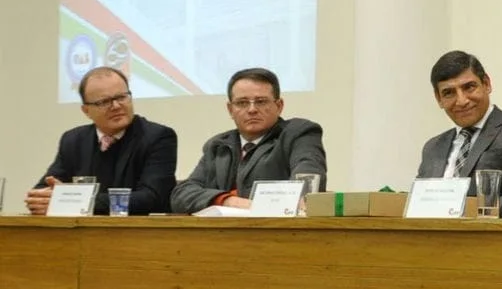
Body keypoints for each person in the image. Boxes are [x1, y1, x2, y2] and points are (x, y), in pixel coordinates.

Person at [170, 68, 327, 214]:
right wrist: (228, 200)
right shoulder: (218, 145)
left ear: (279, 106)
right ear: (230, 110)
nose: (252, 109)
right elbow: (181, 194)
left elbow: (307, 184)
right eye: (242, 103)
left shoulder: (299, 133)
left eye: (261, 101)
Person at [26, 66, 177, 216]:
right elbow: (44, 189)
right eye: (104, 102)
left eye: (121, 97)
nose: (116, 106)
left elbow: (152, 197)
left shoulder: (158, 137)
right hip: (82, 234)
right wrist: (40, 199)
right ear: (86, 111)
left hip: (138, 234)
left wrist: (77, 201)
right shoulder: (73, 140)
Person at [416, 51, 502, 218]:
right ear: (438, 99)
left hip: (491, 241)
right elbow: (420, 203)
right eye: (449, 93)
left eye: (469, 87)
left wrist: (457, 212)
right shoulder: (433, 147)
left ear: (486, 84)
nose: (462, 101)